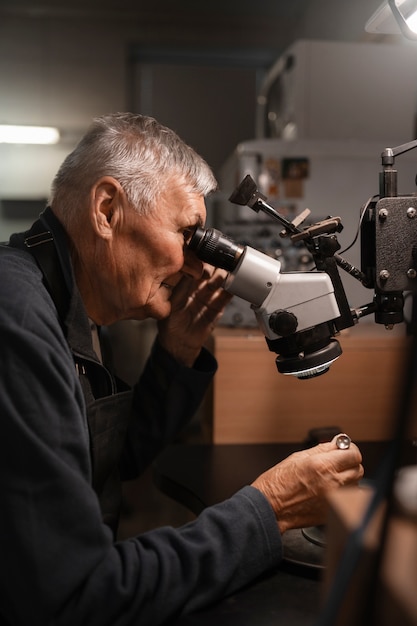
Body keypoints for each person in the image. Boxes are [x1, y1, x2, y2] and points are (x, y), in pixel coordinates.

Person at [0, 112, 363, 626]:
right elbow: (78, 595)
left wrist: (178, 351)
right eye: (188, 233)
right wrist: (269, 509)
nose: (198, 265)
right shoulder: (17, 322)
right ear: (107, 210)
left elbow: (109, 461)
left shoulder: (59, 302)